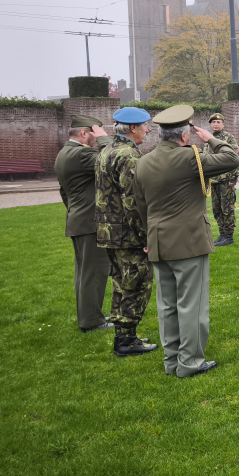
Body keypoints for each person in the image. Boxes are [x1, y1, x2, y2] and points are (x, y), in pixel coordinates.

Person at [134, 105, 239, 378]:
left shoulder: (143, 161)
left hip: (158, 241)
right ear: (184, 136)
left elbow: (140, 205)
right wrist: (210, 139)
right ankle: (190, 362)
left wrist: (148, 235)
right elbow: (231, 158)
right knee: (191, 305)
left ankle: (172, 362)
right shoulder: (189, 158)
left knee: (167, 306)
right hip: (189, 242)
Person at [96, 106, 158, 358]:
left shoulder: (107, 150)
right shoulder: (129, 156)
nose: (148, 129)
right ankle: (127, 340)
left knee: (121, 284)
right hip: (127, 234)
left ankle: (124, 334)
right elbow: (133, 201)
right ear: (133, 128)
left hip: (109, 231)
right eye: (145, 125)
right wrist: (145, 236)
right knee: (137, 284)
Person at [54, 114, 113, 332]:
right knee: (95, 271)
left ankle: (91, 315)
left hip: (78, 218)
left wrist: (74, 211)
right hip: (91, 221)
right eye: (94, 132)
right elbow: (112, 160)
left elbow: (64, 192)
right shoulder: (82, 153)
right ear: (84, 133)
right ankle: (92, 321)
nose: (95, 137)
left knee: (84, 272)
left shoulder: (64, 153)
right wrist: (104, 140)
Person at [204, 112, 239, 247]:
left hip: (226, 180)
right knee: (216, 209)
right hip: (213, 181)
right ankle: (222, 233)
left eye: (218, 122)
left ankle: (229, 235)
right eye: (213, 122)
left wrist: (233, 178)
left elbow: (236, 157)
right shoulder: (208, 139)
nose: (216, 124)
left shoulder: (228, 138)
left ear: (223, 124)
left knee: (227, 208)